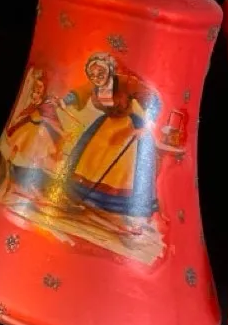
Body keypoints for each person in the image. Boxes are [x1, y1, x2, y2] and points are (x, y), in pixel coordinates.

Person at [61, 52, 161, 230]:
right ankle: (83, 199)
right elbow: (80, 93)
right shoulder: (95, 86)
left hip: (127, 126)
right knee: (91, 156)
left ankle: (122, 212)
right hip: (105, 125)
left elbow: (152, 101)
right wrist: (65, 101)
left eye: (100, 73)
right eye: (92, 74)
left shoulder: (126, 83)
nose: (96, 77)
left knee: (122, 167)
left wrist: (146, 126)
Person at [4, 69, 64, 189]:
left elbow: (51, 118)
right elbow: (29, 110)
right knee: (17, 144)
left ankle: (32, 177)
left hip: (38, 130)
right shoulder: (33, 97)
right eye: (36, 86)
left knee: (38, 153)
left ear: (44, 88)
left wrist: (62, 132)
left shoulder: (46, 103)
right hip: (29, 127)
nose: (38, 89)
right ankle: (7, 165)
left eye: (40, 87)